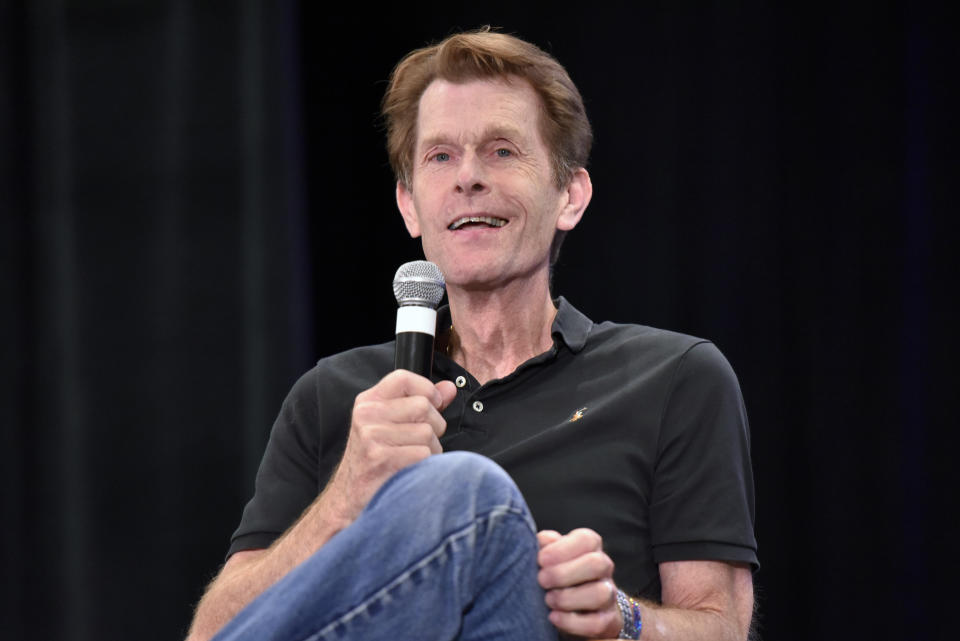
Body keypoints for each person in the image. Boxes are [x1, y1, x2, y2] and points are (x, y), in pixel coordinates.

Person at [187, 28, 758, 641]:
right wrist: (343, 500)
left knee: (466, 491)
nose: (468, 179)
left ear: (570, 194)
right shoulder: (335, 396)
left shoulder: (673, 378)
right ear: (409, 205)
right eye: (440, 157)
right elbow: (215, 633)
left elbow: (719, 625)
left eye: (502, 151)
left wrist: (621, 617)